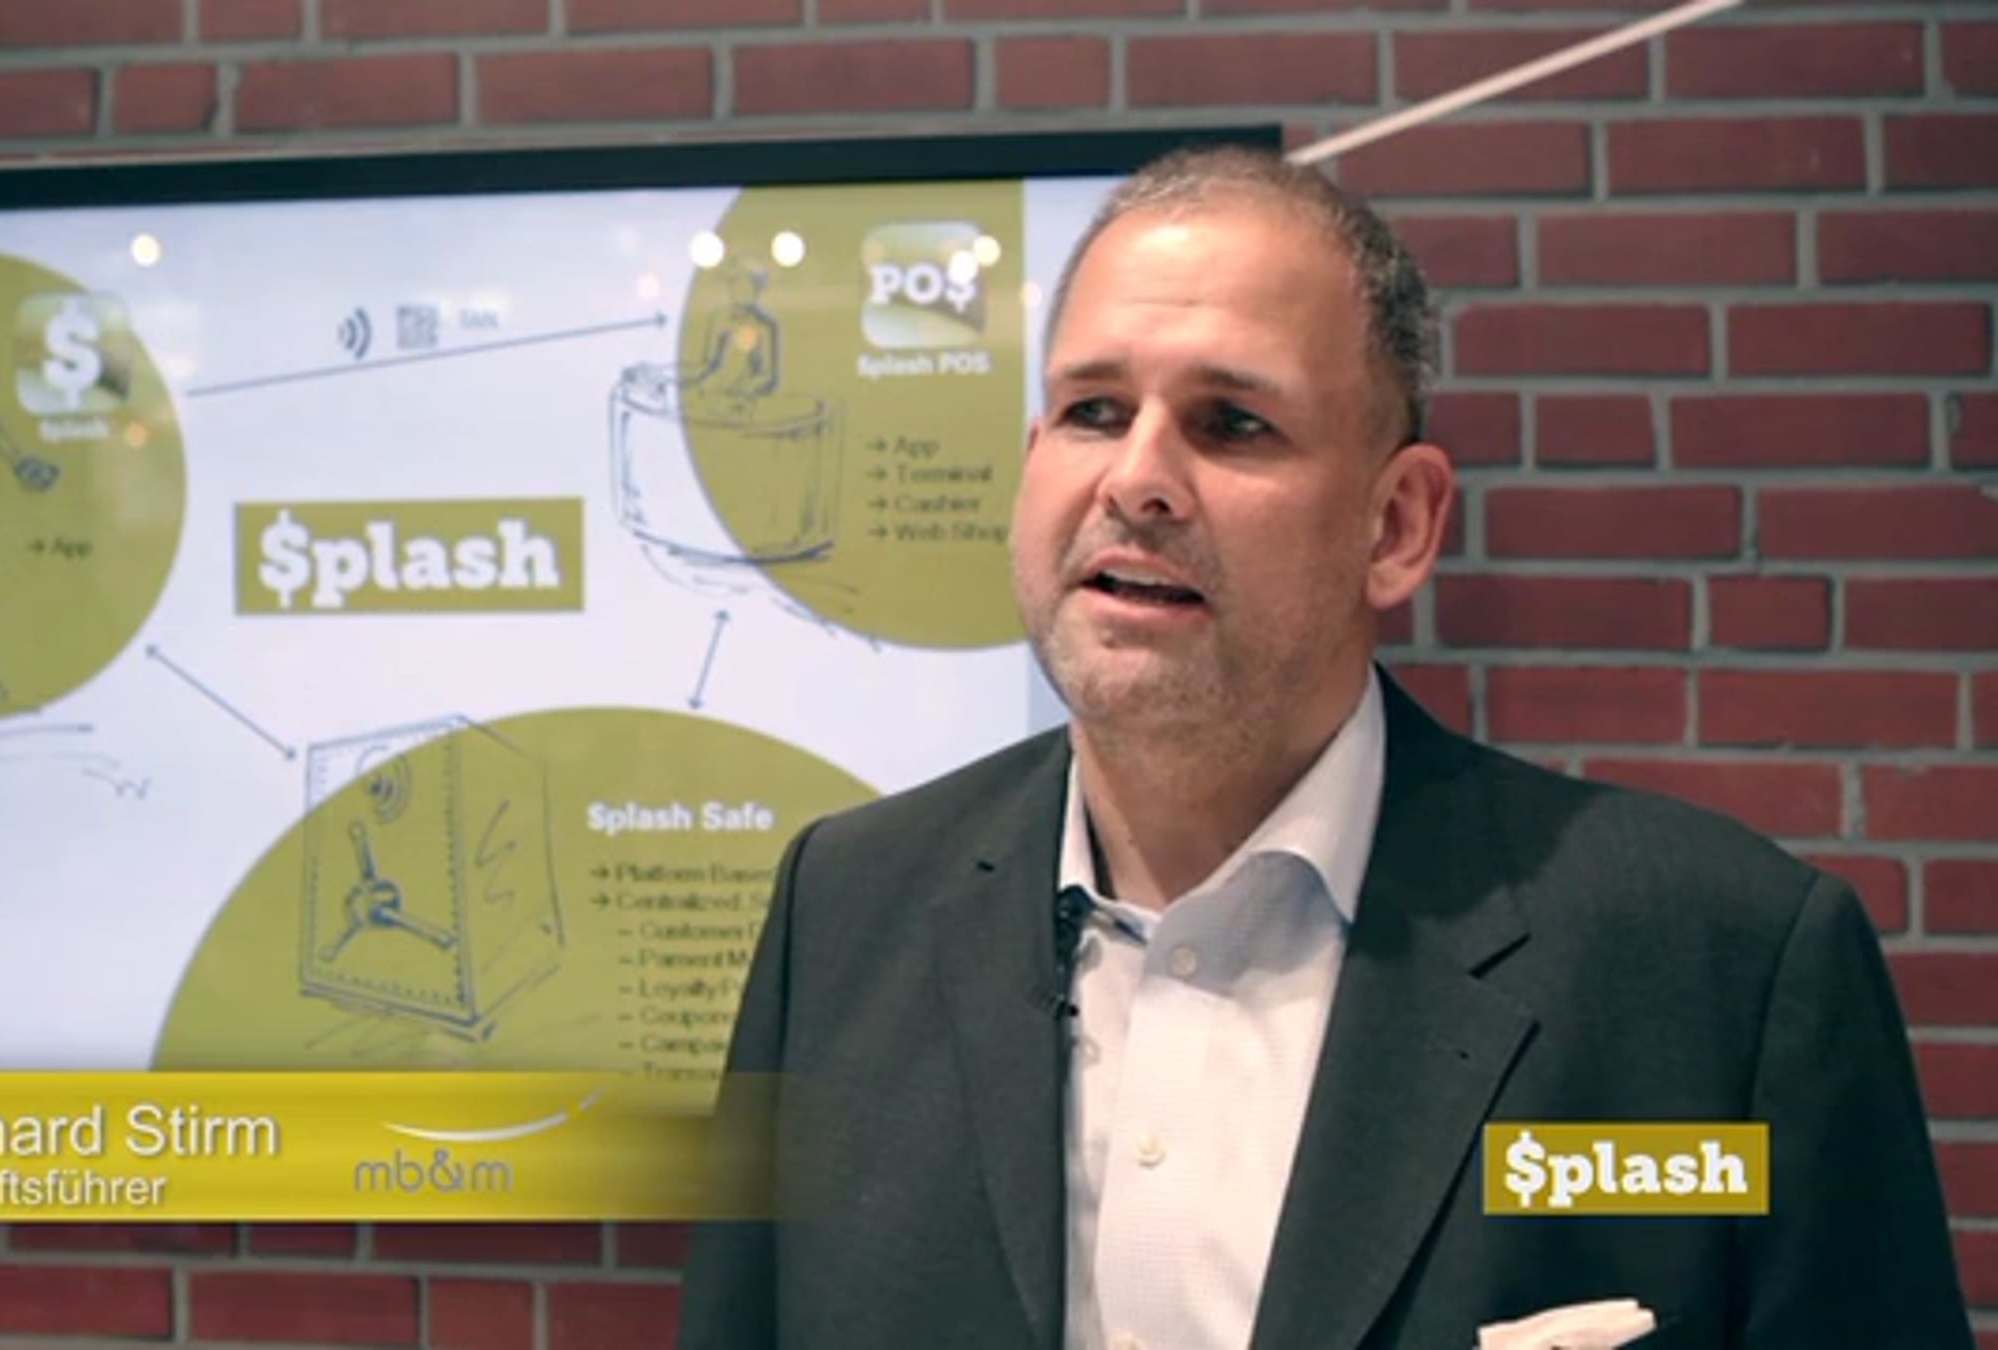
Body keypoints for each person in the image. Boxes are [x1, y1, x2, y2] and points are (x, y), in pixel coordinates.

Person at [674, 144, 1972, 1350]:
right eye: (1092, 410)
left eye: (1232, 423)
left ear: (1395, 524)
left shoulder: (1719, 976)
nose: (1135, 478)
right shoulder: (841, 914)